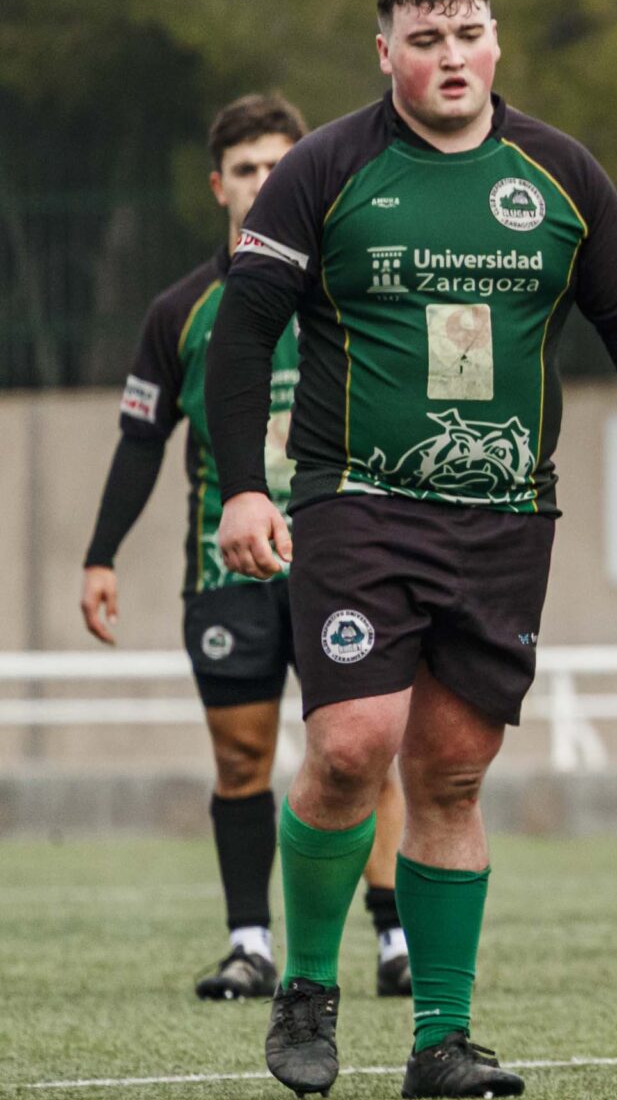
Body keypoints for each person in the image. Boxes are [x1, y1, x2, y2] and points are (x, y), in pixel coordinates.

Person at [206, 0, 617, 1098]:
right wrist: (245, 484)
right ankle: (308, 987)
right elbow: (244, 333)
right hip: (357, 500)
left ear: (496, 45)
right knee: (349, 747)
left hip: (503, 516)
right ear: (385, 53)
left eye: (467, 34)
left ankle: (442, 1038)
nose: (450, 58)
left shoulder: (562, 172)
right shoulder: (324, 170)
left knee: (452, 771)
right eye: (424, 41)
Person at [81, 94, 412, 1001]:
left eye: (280, 164)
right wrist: (101, 552)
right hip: (225, 569)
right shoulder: (179, 311)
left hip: (343, 558)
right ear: (217, 186)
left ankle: (392, 938)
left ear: (307, 171)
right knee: (242, 759)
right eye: (247, 169)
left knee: (362, 747)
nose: (265, 182)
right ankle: (250, 940)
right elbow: (141, 441)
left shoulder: (350, 283)